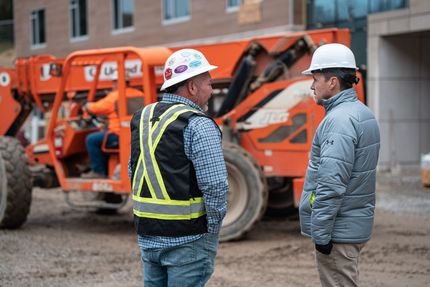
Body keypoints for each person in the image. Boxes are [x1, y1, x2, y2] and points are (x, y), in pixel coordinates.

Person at [129, 49, 228, 287]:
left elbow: (134, 171)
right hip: (188, 238)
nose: (211, 90)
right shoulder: (198, 124)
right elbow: (215, 186)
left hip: (147, 234)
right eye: (208, 83)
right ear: (192, 87)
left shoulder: (142, 117)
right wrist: (212, 230)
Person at [298, 43, 380, 287]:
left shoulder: (339, 121)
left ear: (332, 82)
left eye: (315, 79)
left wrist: (321, 234)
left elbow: (331, 183)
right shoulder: (361, 113)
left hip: (337, 231)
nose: (312, 85)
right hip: (351, 224)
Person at [82, 80, 143, 178]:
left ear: (116, 83)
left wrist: (86, 105)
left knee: (91, 140)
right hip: (136, 134)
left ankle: (98, 171)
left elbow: (95, 108)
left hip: (118, 135)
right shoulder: (139, 94)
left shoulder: (115, 96)